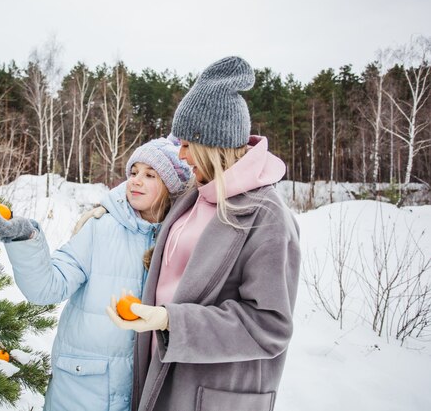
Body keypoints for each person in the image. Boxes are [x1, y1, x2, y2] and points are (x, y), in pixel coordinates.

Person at [106, 56, 301, 411]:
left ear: (211, 143)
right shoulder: (196, 195)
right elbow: (143, 205)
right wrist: (102, 209)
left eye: (185, 144)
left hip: (211, 393)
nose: (180, 155)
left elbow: (270, 325)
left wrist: (170, 321)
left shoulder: (267, 216)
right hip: (160, 374)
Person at [0, 137, 191, 411]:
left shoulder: (183, 237)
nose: (136, 181)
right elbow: (47, 288)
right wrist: (22, 237)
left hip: (149, 392)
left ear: (171, 187)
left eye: (150, 175)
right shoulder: (100, 227)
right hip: (83, 389)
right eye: (133, 172)